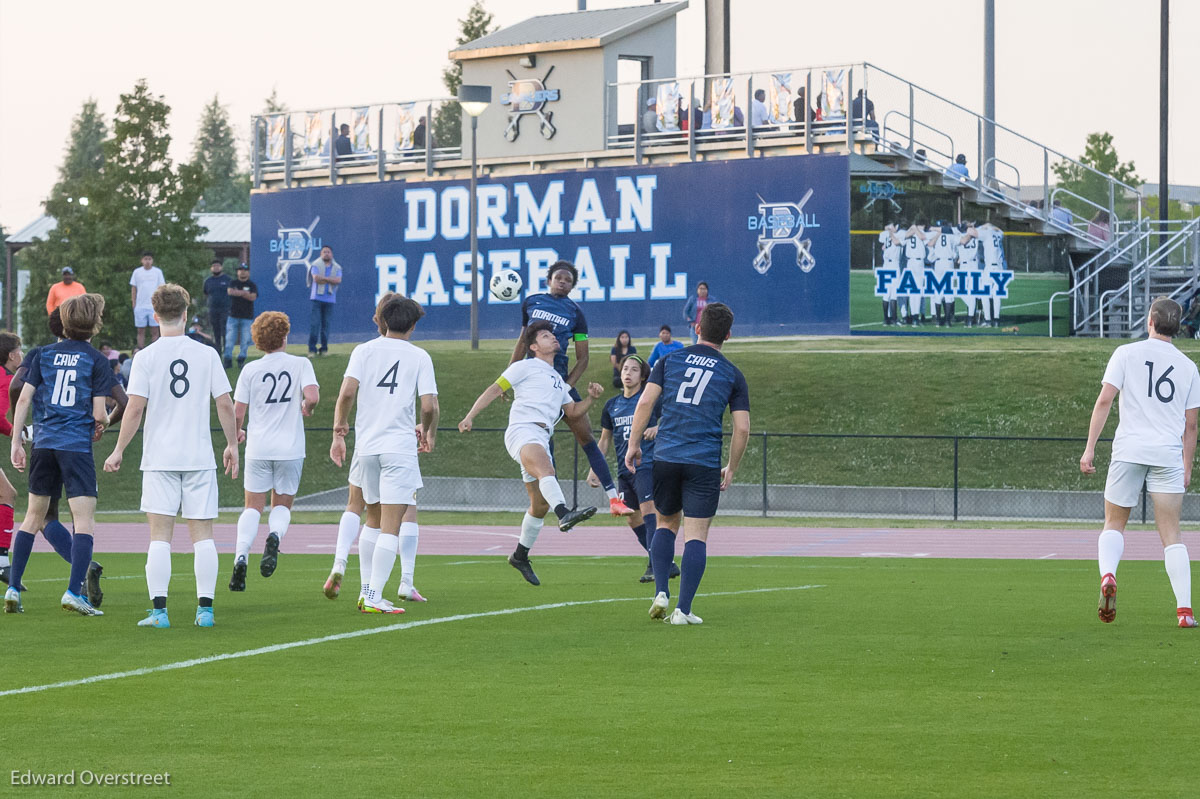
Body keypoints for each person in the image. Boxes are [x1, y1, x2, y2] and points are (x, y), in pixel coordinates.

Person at [103, 284, 240, 629]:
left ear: (154, 315)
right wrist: (232, 445)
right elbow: (224, 402)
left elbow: (134, 409)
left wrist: (118, 449)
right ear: (185, 313)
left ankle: (160, 612)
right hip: (198, 458)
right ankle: (205, 611)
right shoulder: (206, 354)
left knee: (160, 536)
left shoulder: (145, 357)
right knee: (203, 535)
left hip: (159, 459)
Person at [626, 302, 750, 626]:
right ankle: (683, 610)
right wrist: (732, 467)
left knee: (666, 524)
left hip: (666, 456)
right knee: (696, 535)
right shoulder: (732, 374)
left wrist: (633, 444)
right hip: (703, 461)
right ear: (728, 335)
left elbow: (645, 402)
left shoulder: (668, 360)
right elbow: (743, 427)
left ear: (697, 328)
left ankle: (661, 592)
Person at [1080, 297, 1199, 629]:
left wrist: (1089, 449)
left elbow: (1105, 399)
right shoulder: (1189, 368)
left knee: (1114, 523)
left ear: (1150, 320)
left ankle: (1108, 575)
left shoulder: (1126, 354)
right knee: (1172, 533)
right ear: (1177, 326)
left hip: (1129, 451)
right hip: (1166, 454)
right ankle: (1185, 611)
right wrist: (1187, 466)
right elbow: (1191, 425)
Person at [460, 321, 600, 586]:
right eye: (546, 336)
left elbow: (572, 413)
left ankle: (520, 555)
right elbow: (495, 389)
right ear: (534, 347)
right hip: (522, 431)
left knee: (539, 505)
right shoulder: (523, 366)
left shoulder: (559, 380)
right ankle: (565, 514)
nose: (554, 338)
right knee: (547, 470)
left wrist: (590, 398)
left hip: (541, 437)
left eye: (553, 335)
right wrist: (469, 416)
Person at [6, 294, 115, 616]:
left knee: (33, 517)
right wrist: (105, 421)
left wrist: (16, 441)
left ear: (64, 322)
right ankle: (72, 592)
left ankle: (13, 588)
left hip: (43, 444)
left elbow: (23, 399)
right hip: (75, 447)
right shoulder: (97, 360)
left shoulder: (41, 354)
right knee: (83, 521)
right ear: (95, 324)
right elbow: (99, 413)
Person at [330, 295, 438, 614]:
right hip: (398, 449)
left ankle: (366, 591)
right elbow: (429, 405)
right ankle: (374, 596)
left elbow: (347, 392)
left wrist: (340, 427)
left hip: (367, 448)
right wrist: (427, 429)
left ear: (383, 320)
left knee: (372, 519)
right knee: (392, 525)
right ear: (414, 325)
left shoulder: (363, 350)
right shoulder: (419, 356)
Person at [510, 260, 634, 517]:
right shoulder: (531, 302)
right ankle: (557, 508)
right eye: (559, 278)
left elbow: (583, 358)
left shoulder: (576, 314)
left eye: (568, 280)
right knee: (543, 442)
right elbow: (522, 343)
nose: (563, 282)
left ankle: (614, 499)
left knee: (587, 436)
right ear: (549, 280)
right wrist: (508, 376)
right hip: (533, 384)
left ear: (573, 286)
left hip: (559, 381)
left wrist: (565, 386)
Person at [229, 311, 319, 591]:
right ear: (285, 335)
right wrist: (307, 407)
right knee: (281, 505)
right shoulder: (300, 363)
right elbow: (312, 396)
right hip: (290, 448)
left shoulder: (250, 370)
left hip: (258, 446)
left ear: (257, 340)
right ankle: (275, 537)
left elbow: (238, 412)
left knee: (252, 507)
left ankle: (240, 556)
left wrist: (236, 435)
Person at [588, 354, 680, 583]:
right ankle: (665, 562)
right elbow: (605, 440)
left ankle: (654, 564)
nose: (628, 373)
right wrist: (594, 467)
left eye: (634, 370)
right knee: (631, 517)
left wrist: (657, 428)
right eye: (625, 369)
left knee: (649, 511)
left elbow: (672, 419)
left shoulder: (649, 400)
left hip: (647, 464)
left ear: (643, 376)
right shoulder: (612, 406)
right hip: (624, 470)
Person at [0, 333, 21, 587]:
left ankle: (3, 562)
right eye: (20, 349)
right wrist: (19, 432)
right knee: (7, 494)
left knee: (8, 493)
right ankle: (2, 562)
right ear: (12, 355)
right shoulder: (6, 380)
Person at [308, 245, 342, 357]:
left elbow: (338, 280)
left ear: (331, 254)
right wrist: (330, 280)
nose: (326, 253)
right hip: (317, 299)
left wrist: (324, 279)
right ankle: (312, 350)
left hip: (329, 299)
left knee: (326, 326)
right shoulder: (316, 265)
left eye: (328, 252)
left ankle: (324, 349)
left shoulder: (337, 267)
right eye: (324, 252)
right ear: (321, 254)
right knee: (315, 325)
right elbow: (316, 278)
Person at [224, 263, 257, 369]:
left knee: (245, 340)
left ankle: (241, 359)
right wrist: (245, 293)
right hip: (233, 315)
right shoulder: (233, 282)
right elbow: (230, 292)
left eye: (245, 270)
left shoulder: (252, 285)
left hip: (247, 317)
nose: (242, 272)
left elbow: (253, 297)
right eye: (240, 270)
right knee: (229, 339)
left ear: (248, 272)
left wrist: (238, 292)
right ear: (237, 272)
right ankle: (227, 360)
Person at [130, 251, 165, 348]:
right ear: (142, 260)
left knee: (155, 329)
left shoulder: (157, 272)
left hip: (153, 306)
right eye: (145, 259)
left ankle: (155, 349)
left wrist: (160, 303)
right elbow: (134, 288)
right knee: (140, 330)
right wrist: (134, 302)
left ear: (152, 260)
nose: (147, 261)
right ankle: (140, 349)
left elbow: (161, 288)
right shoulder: (137, 272)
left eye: (149, 259)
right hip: (140, 306)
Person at [901, 222, 931, 326]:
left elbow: (900, 241)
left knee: (911, 290)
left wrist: (912, 229)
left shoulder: (909, 233)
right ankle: (915, 317)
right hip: (918, 263)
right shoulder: (920, 232)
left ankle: (912, 316)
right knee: (917, 291)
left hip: (910, 262)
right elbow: (925, 240)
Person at [927, 225, 957, 327]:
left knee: (938, 291)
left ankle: (938, 320)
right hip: (948, 263)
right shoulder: (952, 235)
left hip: (938, 263)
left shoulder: (935, 234)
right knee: (948, 292)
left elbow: (930, 245)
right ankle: (948, 321)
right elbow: (955, 254)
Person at [955, 222, 983, 327]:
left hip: (971, 265)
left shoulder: (969, 237)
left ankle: (971, 318)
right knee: (962, 291)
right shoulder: (967, 236)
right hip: (967, 265)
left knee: (969, 293)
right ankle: (971, 316)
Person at [203, 259, 232, 355]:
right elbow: (206, 293)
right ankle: (218, 351)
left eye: (218, 266)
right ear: (211, 268)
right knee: (216, 332)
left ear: (221, 267)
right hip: (213, 309)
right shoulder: (208, 281)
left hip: (225, 309)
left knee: (225, 331)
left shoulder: (227, 279)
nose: (216, 267)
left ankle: (227, 353)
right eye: (214, 266)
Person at [879, 225, 904, 325]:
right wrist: (890, 231)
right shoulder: (897, 235)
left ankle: (887, 319)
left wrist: (888, 230)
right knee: (892, 293)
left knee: (887, 294)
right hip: (893, 264)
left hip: (886, 265)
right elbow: (896, 242)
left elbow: (883, 241)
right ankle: (893, 319)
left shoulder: (887, 234)